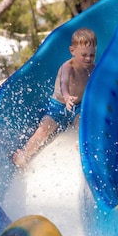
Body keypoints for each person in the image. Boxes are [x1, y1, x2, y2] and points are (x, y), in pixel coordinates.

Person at [13, 27, 97, 167]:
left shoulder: (93, 68)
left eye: (92, 55)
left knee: (81, 123)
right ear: (72, 51)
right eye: (84, 55)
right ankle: (24, 156)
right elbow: (64, 83)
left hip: (77, 106)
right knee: (44, 130)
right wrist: (67, 96)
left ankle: (83, 146)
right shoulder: (67, 67)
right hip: (57, 107)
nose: (88, 59)